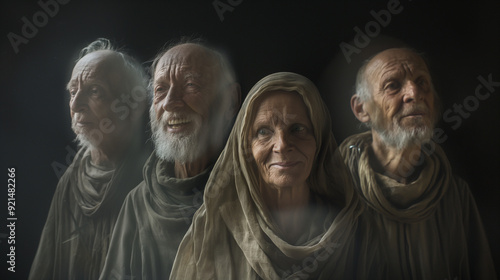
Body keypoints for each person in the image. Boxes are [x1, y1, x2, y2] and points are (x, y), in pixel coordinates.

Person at [171, 72, 363, 279]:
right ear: (246, 147)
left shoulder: (353, 223)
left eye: (297, 129)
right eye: (263, 132)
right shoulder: (213, 229)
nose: (282, 145)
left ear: (319, 142)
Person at [340, 48, 497, 279]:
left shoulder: (455, 195)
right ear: (361, 109)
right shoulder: (335, 190)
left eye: (422, 82)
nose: (414, 93)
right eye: (392, 85)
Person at [99, 40, 241, 279]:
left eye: (191, 85)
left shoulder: (249, 189)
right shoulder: (139, 201)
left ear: (230, 100)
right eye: (160, 89)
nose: (170, 102)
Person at [29, 38, 150, 280]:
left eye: (95, 91)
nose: (75, 104)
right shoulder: (72, 179)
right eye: (73, 92)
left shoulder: (153, 176)